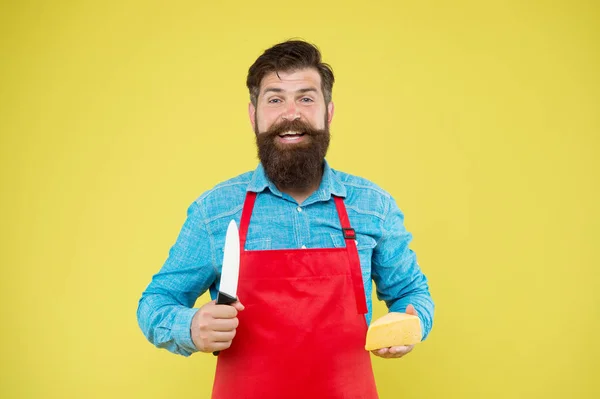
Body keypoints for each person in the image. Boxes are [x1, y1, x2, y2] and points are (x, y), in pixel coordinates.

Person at [137, 39, 434, 398]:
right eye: (275, 99)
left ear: (329, 111)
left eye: (306, 98)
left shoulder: (372, 206)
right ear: (253, 114)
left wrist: (409, 323)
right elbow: (155, 302)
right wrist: (190, 325)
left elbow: (411, 293)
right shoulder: (215, 212)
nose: (290, 114)